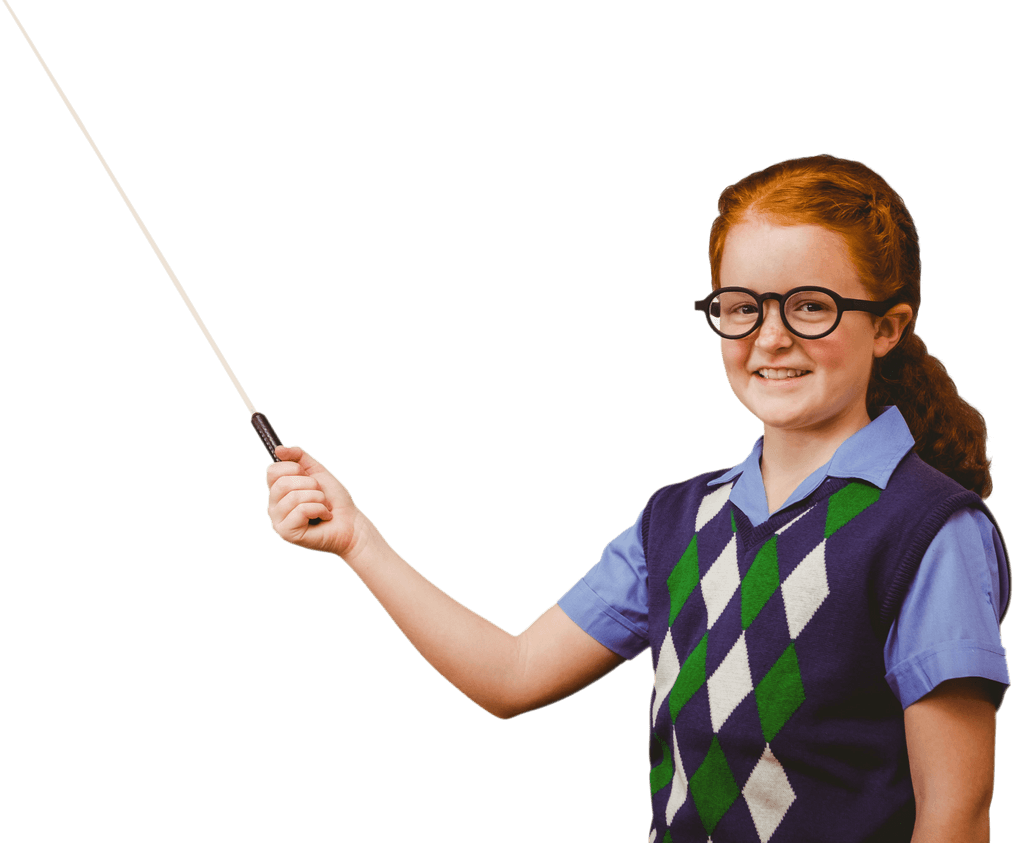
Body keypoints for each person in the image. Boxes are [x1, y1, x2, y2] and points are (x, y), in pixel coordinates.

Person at [265, 153, 1009, 842]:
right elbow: (513, 675)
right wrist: (358, 538)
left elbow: (957, 812)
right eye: (741, 306)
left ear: (887, 326)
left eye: (811, 307)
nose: (770, 337)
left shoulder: (930, 531)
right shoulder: (675, 521)